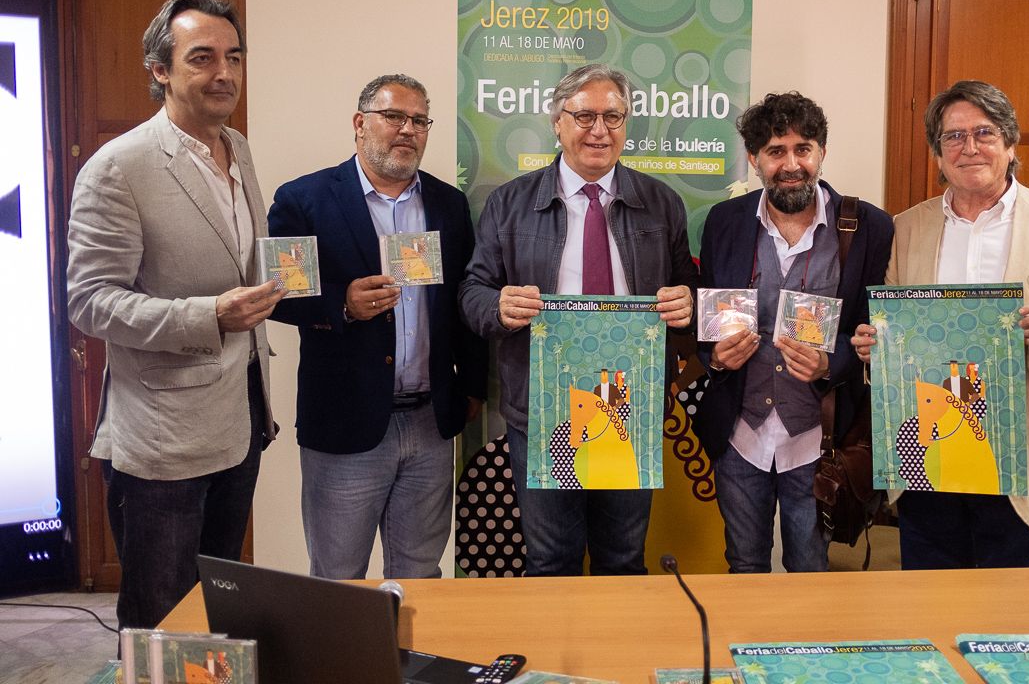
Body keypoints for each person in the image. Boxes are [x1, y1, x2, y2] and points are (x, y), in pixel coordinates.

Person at [851, 79, 1029, 571]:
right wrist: (875, 347)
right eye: (954, 136)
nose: (969, 147)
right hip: (930, 454)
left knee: (1019, 611)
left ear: (1009, 142)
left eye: (984, 132)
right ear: (938, 153)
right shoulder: (908, 226)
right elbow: (892, 326)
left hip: (1024, 457)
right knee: (933, 603)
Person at [67, 0, 283, 629]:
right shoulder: (119, 166)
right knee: (160, 623)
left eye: (233, 57)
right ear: (159, 69)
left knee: (214, 613)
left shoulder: (237, 148)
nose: (224, 73)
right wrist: (208, 315)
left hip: (241, 420)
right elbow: (90, 301)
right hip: (162, 441)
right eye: (202, 58)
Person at [459, 63, 698, 576]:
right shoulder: (509, 203)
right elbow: (472, 292)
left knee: (622, 558)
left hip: (627, 406)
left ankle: (617, 636)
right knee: (551, 560)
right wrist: (498, 307)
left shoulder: (662, 204)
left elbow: (689, 294)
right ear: (557, 121)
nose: (599, 130)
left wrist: (687, 307)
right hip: (544, 407)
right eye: (584, 116)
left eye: (613, 117)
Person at [268, 74, 486, 579]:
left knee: (420, 576)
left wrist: (472, 386)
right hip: (345, 424)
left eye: (419, 121)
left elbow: (465, 298)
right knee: (338, 579)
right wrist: (341, 304)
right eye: (394, 117)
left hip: (431, 422)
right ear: (359, 123)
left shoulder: (448, 204)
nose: (408, 129)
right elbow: (279, 295)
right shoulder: (304, 198)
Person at [693, 92, 892, 573]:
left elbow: (877, 332)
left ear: (822, 152)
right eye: (775, 151)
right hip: (740, 434)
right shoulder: (724, 222)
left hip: (820, 439)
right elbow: (706, 319)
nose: (791, 164)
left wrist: (831, 362)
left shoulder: (869, 227)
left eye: (803, 149)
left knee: (810, 570)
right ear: (754, 159)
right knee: (744, 564)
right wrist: (715, 356)